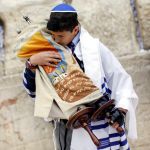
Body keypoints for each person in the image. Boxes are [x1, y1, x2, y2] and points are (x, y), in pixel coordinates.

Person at [19, 3, 138, 150]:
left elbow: (121, 80)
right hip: (73, 129)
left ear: (75, 30)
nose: (56, 40)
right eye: (53, 35)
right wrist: (32, 63)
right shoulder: (45, 51)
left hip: (105, 124)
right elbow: (34, 90)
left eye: (60, 36)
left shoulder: (95, 48)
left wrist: (121, 109)